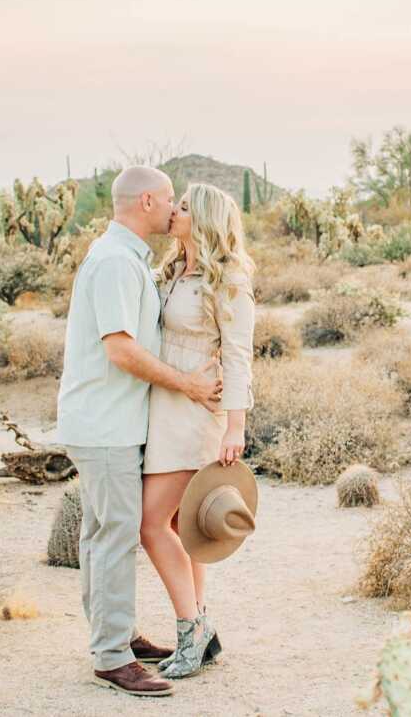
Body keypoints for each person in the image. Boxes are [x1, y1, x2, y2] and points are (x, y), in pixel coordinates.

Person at [56, 166, 223, 698]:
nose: (176, 210)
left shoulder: (128, 260)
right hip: (105, 424)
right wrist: (191, 387)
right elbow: (121, 350)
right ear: (147, 201)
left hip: (112, 421)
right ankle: (111, 658)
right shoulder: (113, 264)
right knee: (117, 534)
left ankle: (117, 635)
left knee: (101, 534)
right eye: (170, 200)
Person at [140, 182, 256, 679]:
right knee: (178, 529)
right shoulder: (172, 270)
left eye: (183, 207)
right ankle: (201, 630)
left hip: (196, 415)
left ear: (203, 219)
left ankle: (191, 628)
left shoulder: (228, 277)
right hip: (164, 404)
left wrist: (235, 426)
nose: (173, 211)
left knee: (150, 525)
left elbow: (238, 355)